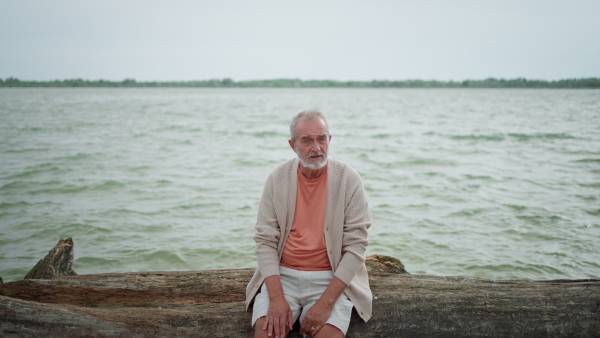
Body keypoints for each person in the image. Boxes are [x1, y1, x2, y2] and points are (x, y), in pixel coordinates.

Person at [245, 110, 372, 338]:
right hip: (282, 277)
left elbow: (356, 248)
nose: (316, 148)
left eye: (322, 139)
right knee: (266, 333)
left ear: (329, 140)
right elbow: (265, 242)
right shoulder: (277, 179)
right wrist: (276, 299)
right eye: (307, 140)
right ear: (292, 145)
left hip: (330, 278)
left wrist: (325, 304)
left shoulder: (349, 180)